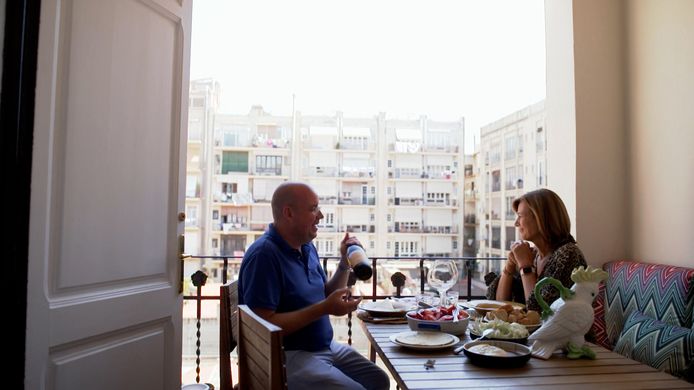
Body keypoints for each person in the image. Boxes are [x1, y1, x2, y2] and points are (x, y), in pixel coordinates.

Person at [238, 182, 390, 390]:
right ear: (288, 213)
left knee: (379, 381)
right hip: (286, 354)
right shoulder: (264, 255)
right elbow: (264, 325)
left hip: (323, 346)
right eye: (313, 209)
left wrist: (345, 262)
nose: (321, 215)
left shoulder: (305, 246)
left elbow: (326, 294)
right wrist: (325, 308)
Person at [486, 188, 587, 312]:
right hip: (529, 331)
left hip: (565, 332)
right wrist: (509, 267)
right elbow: (499, 305)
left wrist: (525, 267)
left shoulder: (568, 254)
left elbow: (541, 313)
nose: (516, 223)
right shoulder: (533, 255)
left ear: (540, 219)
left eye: (520, 216)